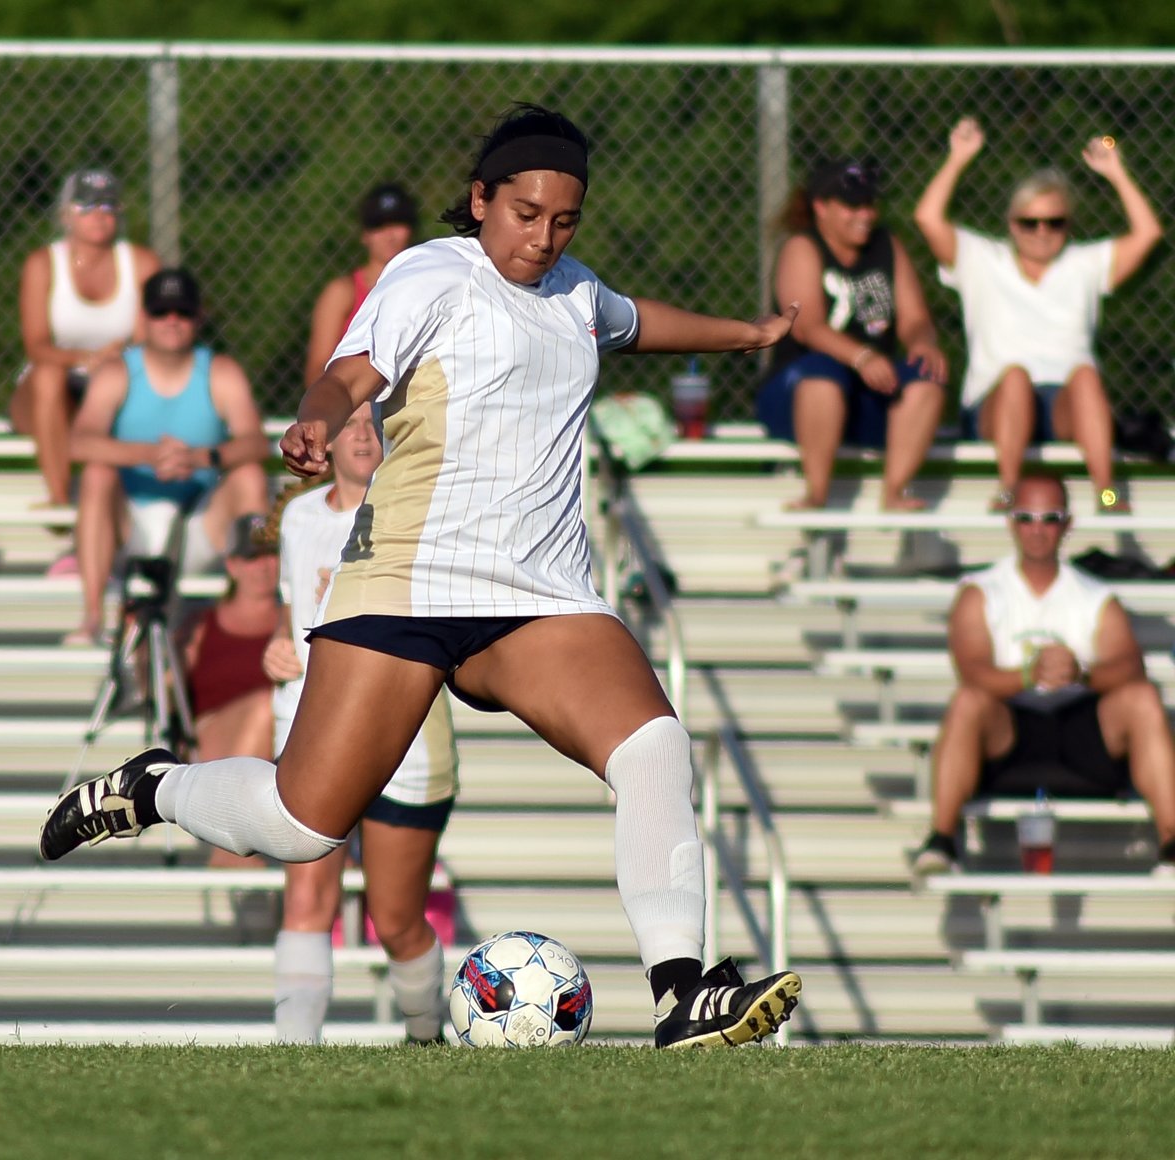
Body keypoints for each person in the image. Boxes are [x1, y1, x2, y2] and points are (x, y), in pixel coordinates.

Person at [40, 103, 803, 1050]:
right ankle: (155, 788)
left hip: (538, 596)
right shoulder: (430, 273)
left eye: (564, 220)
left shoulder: (575, 289)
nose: (543, 236)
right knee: (301, 823)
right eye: (524, 213)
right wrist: (317, 418)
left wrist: (748, 336)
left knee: (652, 747)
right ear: (481, 198)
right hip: (408, 581)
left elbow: (637, 323)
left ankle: (682, 991)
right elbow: (351, 372)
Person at [261, 403, 458, 1044]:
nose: (365, 434)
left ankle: (427, 1036)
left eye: (375, 421)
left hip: (405, 728)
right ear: (323, 437)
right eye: (350, 423)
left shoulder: (418, 510)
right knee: (307, 898)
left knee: (397, 916)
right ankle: (295, 1053)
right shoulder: (298, 517)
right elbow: (292, 610)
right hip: (308, 716)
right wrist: (277, 647)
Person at [912, 470, 1175, 876]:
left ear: (1067, 525)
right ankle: (942, 838)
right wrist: (1030, 675)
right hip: (1009, 727)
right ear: (1010, 522)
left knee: (1142, 699)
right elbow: (973, 671)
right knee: (968, 702)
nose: (1037, 530)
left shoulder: (1094, 596)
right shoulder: (981, 591)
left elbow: (1129, 666)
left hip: (1082, 726)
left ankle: (1172, 840)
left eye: (1049, 518)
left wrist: (1081, 674)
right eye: (1026, 518)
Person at [914, 117, 1164, 513]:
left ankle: (1107, 494)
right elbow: (927, 218)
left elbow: (1148, 233)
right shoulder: (982, 258)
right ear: (1012, 224)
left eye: (1055, 222)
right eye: (1029, 222)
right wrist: (958, 159)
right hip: (995, 407)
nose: (1042, 231)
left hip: (1066, 405)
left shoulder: (1084, 263)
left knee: (1085, 375)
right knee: (1015, 376)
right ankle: (1011, 490)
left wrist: (1117, 173)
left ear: (1068, 226)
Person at [65, 268, 271, 646]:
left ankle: (257, 613)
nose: (171, 321)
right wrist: (149, 455)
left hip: (199, 522)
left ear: (198, 317)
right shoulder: (118, 372)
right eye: (161, 312)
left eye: (182, 312)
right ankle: (94, 615)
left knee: (250, 478)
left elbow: (256, 442)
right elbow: (78, 442)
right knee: (96, 475)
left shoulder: (220, 372)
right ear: (144, 319)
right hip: (132, 525)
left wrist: (201, 457)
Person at [755, 157, 947, 511]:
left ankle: (894, 492)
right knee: (823, 377)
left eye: (869, 204)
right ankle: (817, 494)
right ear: (821, 207)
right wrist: (862, 357)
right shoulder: (802, 247)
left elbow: (914, 316)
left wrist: (922, 340)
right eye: (852, 205)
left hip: (863, 393)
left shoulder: (887, 246)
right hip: (798, 395)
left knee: (926, 377)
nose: (865, 214)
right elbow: (807, 323)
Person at [11, 168, 161, 508]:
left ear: (119, 213)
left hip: (115, 383)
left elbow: (148, 339)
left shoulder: (140, 263)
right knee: (48, 376)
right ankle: (60, 497)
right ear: (66, 214)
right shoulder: (44, 264)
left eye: (107, 207)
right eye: (86, 206)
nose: (98, 215)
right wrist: (85, 359)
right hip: (54, 390)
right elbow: (36, 345)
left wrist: (114, 360)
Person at [182, 513, 280, 870]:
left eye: (271, 554)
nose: (263, 567)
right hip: (212, 741)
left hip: (285, 744)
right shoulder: (199, 625)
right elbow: (165, 693)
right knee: (266, 706)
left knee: (272, 708)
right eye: (251, 558)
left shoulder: (299, 618)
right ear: (232, 566)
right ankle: (231, 842)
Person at [304, 182, 419, 386]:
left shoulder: (423, 288)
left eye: (397, 224)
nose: (389, 236)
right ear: (364, 235)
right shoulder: (342, 292)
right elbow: (317, 370)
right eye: (379, 226)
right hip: (355, 408)